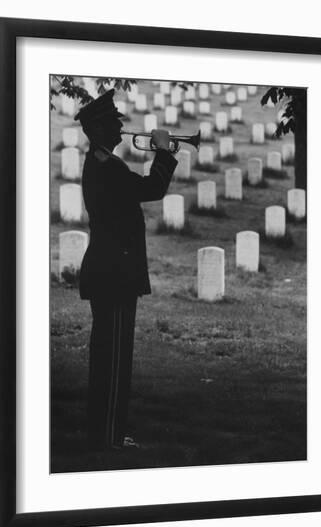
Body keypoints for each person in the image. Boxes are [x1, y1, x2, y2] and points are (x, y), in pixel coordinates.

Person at [74, 88, 178, 450]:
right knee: (113, 360)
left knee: (110, 356)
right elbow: (153, 188)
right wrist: (164, 151)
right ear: (100, 130)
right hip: (114, 274)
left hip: (110, 271)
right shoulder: (107, 168)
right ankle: (108, 437)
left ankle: (109, 432)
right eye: (114, 125)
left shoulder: (103, 164)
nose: (120, 130)